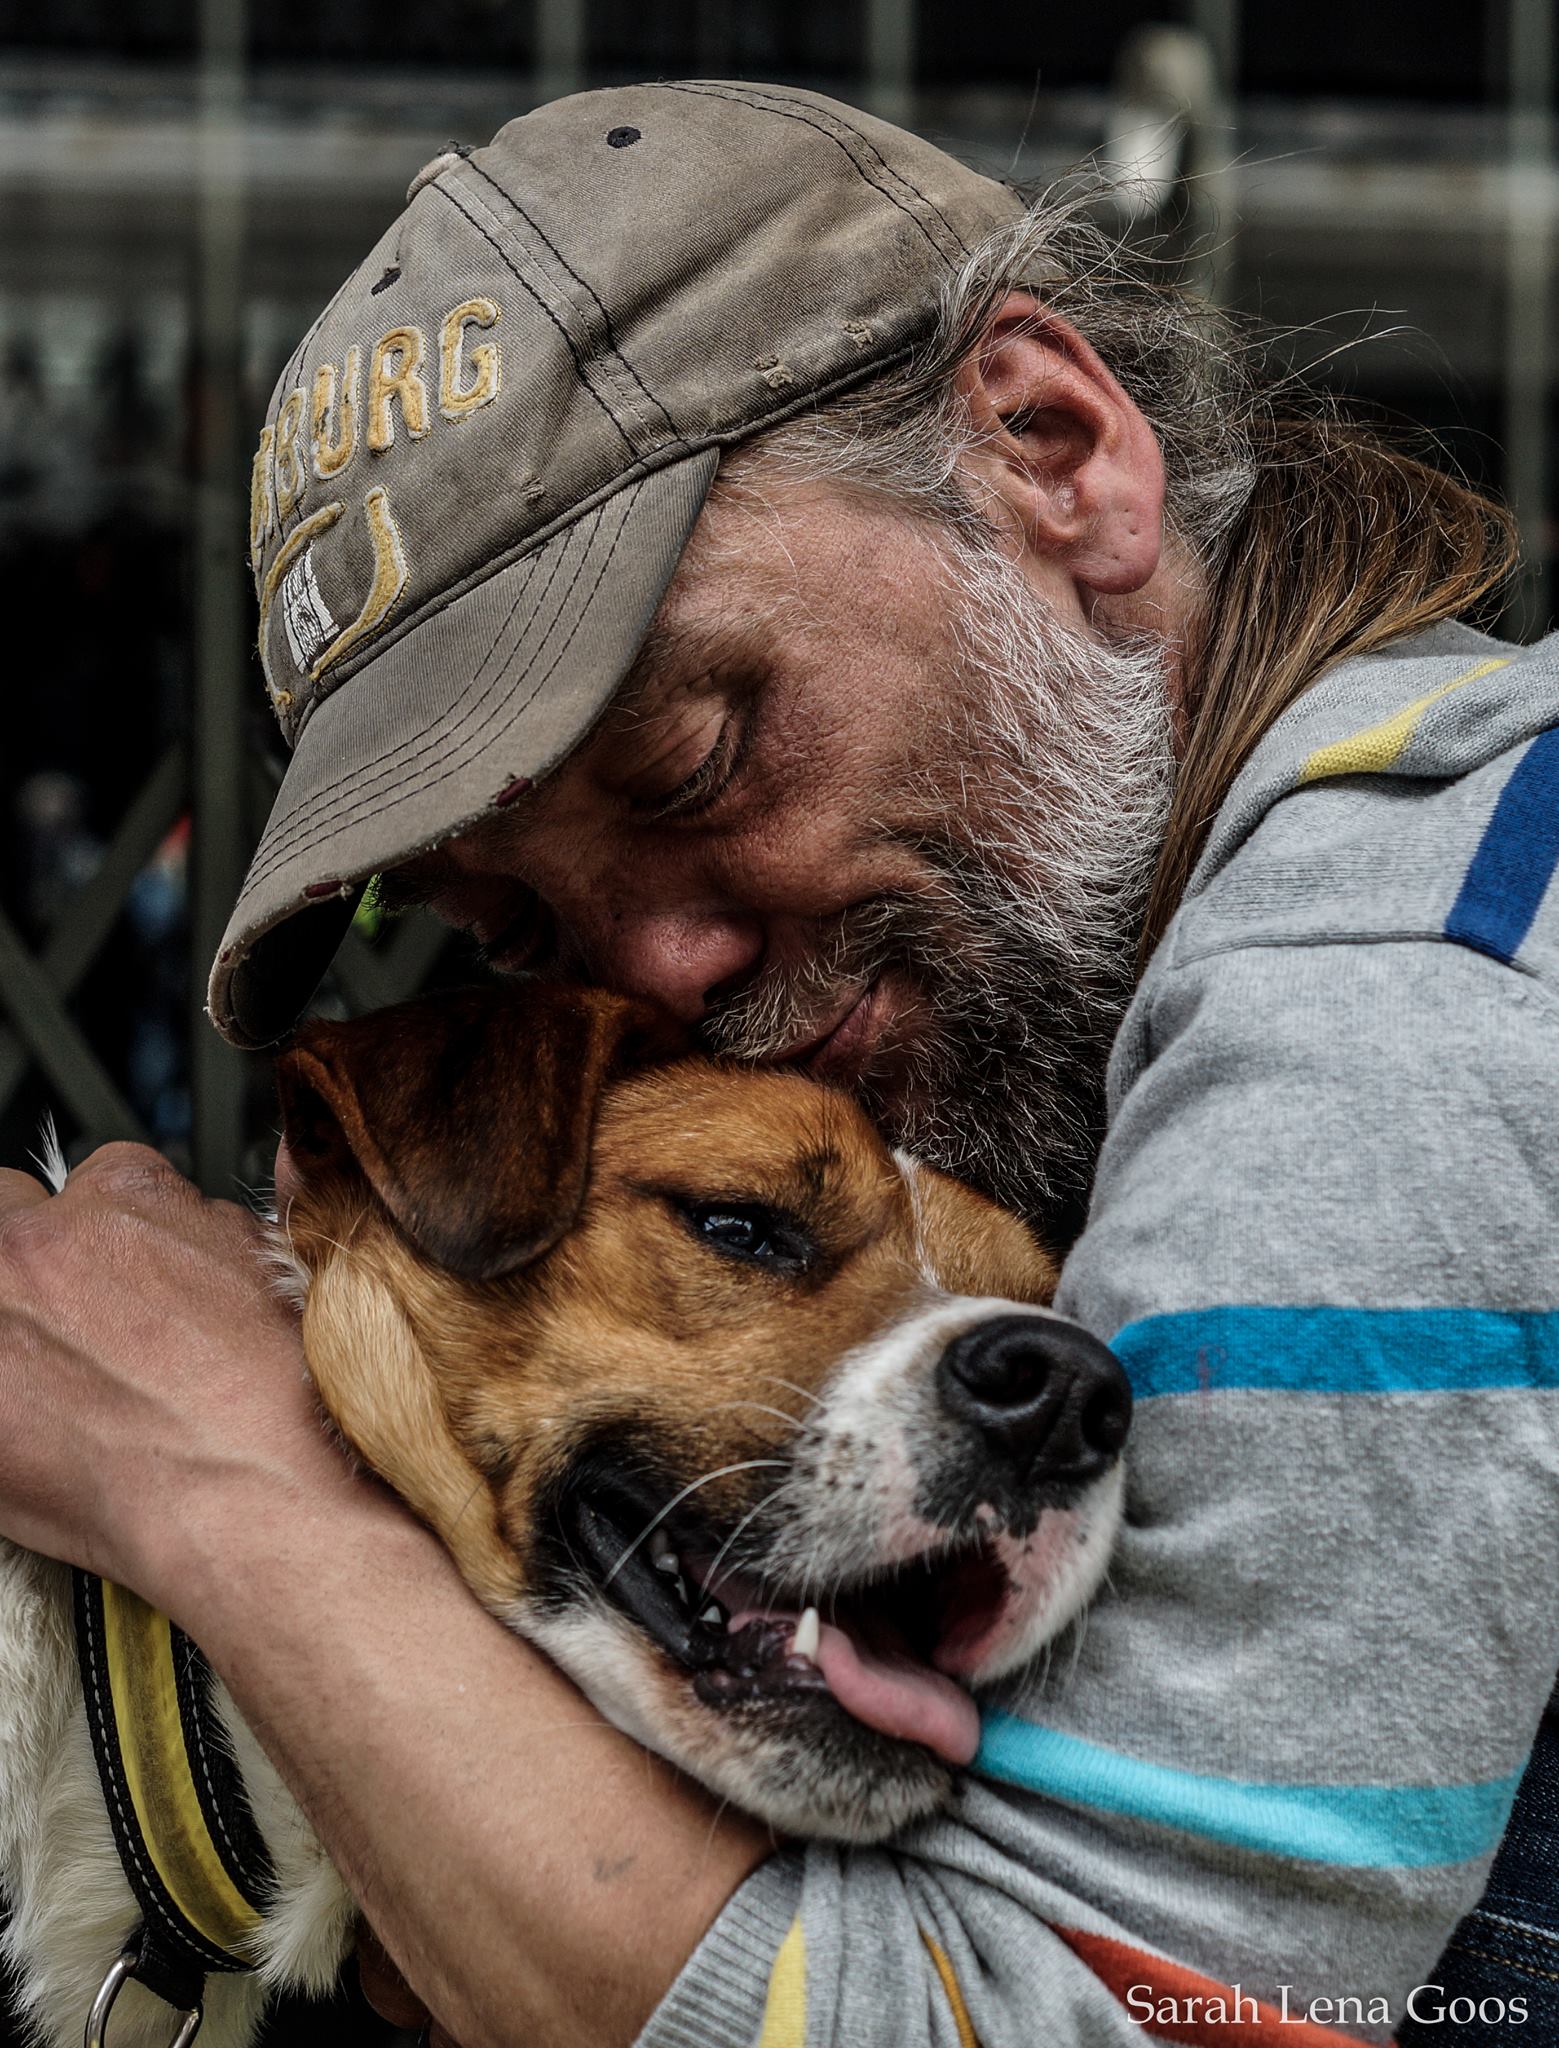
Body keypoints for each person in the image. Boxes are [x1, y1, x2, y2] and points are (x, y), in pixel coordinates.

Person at [1, 80, 1556, 2048]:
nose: (667, 965)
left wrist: (209, 1479)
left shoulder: (1403, 990)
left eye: (697, 758)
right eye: (521, 935)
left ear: (1055, 453)